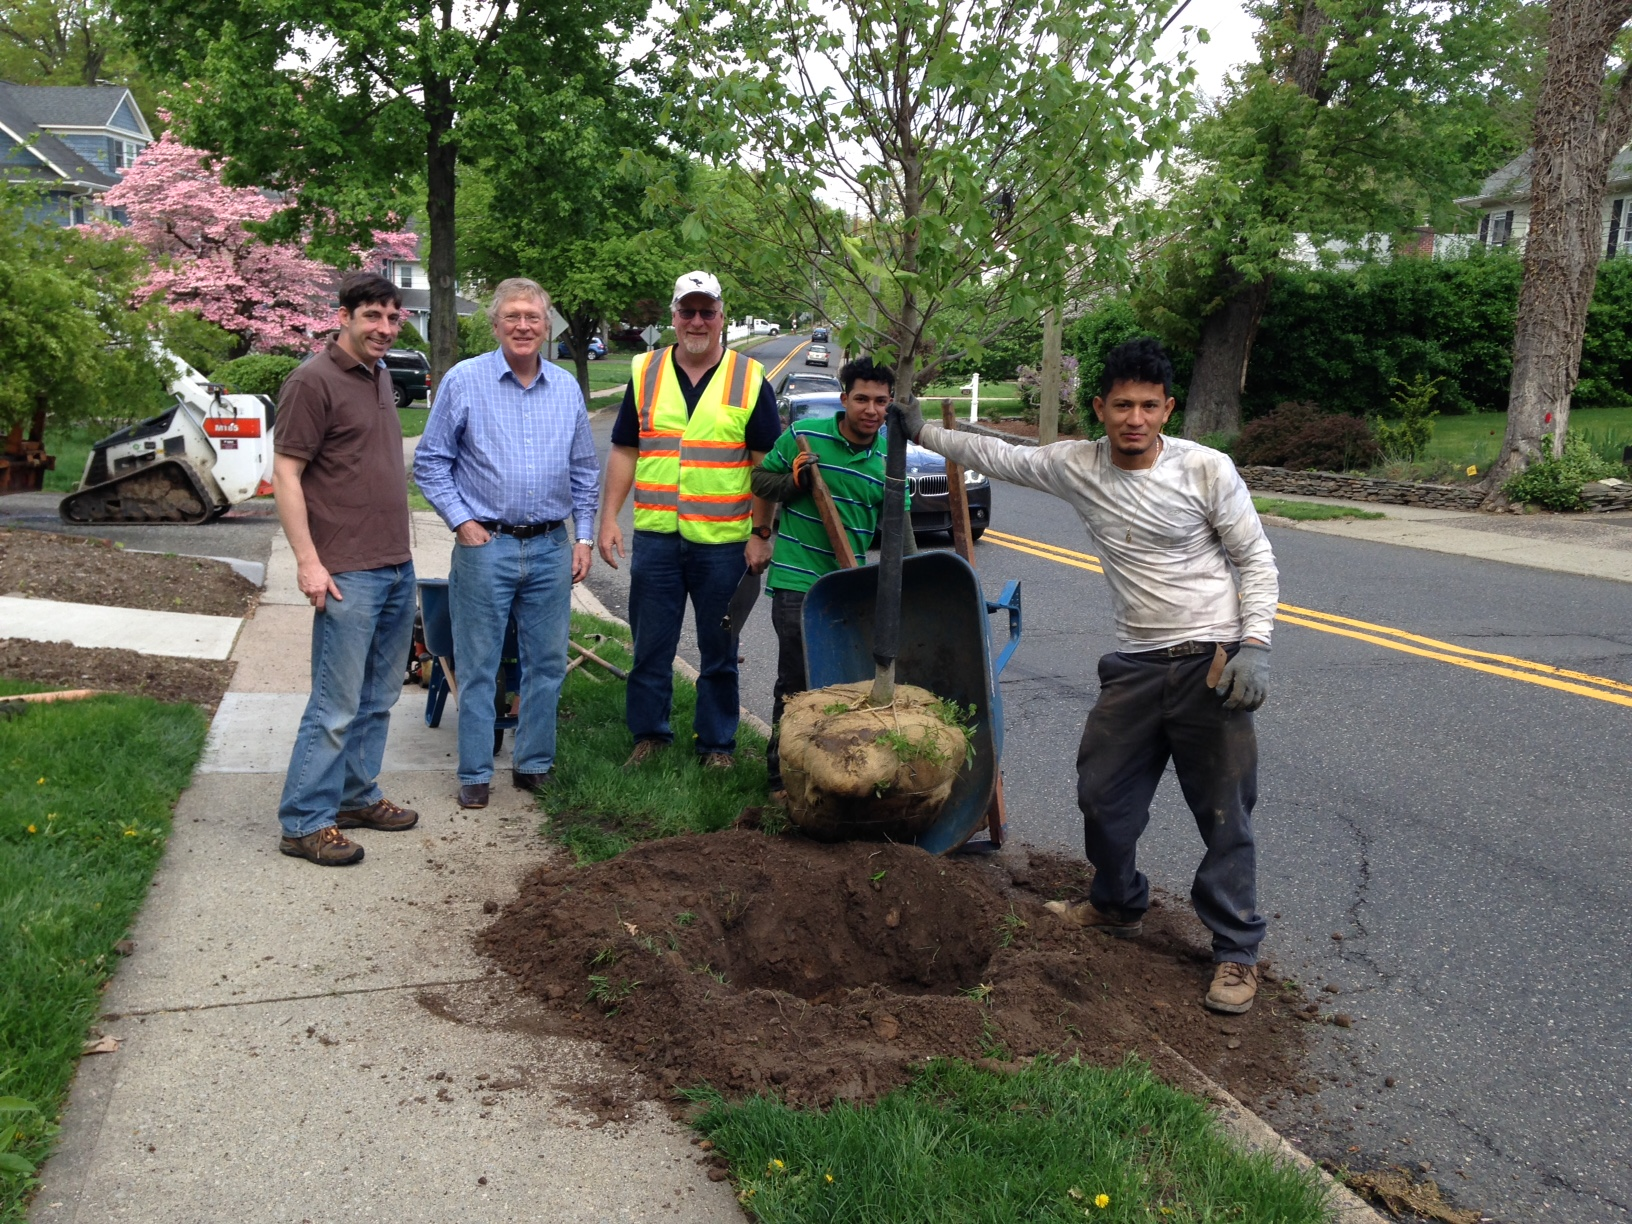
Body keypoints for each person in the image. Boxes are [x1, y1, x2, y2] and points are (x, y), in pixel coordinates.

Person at [898, 338, 1279, 1014]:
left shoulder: (1206, 470)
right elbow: (999, 456)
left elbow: (1254, 559)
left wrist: (1254, 645)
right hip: (1135, 663)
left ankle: (1236, 952)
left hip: (1211, 660)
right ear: (1100, 408)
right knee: (1102, 796)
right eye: (1122, 405)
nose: (1135, 418)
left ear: (1167, 410)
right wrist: (921, 428)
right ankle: (1117, 902)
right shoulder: (1079, 464)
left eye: (1149, 406)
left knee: (1224, 814)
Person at [414, 278, 599, 810]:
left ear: (547, 327)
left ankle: (534, 764)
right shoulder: (464, 381)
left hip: (549, 547)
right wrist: (461, 521)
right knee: (478, 664)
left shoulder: (565, 387)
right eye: (513, 316)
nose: (523, 326)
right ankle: (474, 772)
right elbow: (431, 461)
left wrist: (582, 536)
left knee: (545, 663)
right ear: (495, 324)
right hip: (484, 546)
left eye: (533, 318)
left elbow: (585, 470)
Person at [597, 271, 782, 769]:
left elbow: (766, 464)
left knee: (720, 651)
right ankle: (650, 736)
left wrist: (762, 533)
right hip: (657, 537)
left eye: (707, 311)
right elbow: (624, 448)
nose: (697, 321)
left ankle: (717, 746)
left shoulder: (749, 378)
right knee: (650, 647)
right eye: (687, 311)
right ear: (674, 316)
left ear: (722, 317)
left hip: (724, 543)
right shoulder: (645, 370)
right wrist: (608, 518)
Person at [272, 272, 420, 867]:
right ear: (345, 316)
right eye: (373, 318)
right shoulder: (312, 381)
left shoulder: (380, 375)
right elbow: (285, 475)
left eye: (393, 317)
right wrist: (309, 563)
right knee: (335, 704)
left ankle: (356, 796)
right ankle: (305, 821)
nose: (384, 329)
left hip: (394, 564)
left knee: (379, 697)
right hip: (345, 572)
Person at [748, 354, 913, 799]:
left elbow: (899, 535)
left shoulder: (891, 461)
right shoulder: (804, 437)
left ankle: (827, 777)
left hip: (847, 588)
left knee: (841, 685)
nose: (871, 410)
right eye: (861, 399)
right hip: (798, 582)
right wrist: (794, 483)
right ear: (844, 399)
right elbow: (760, 481)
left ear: (890, 403)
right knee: (798, 683)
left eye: (880, 401)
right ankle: (781, 780)